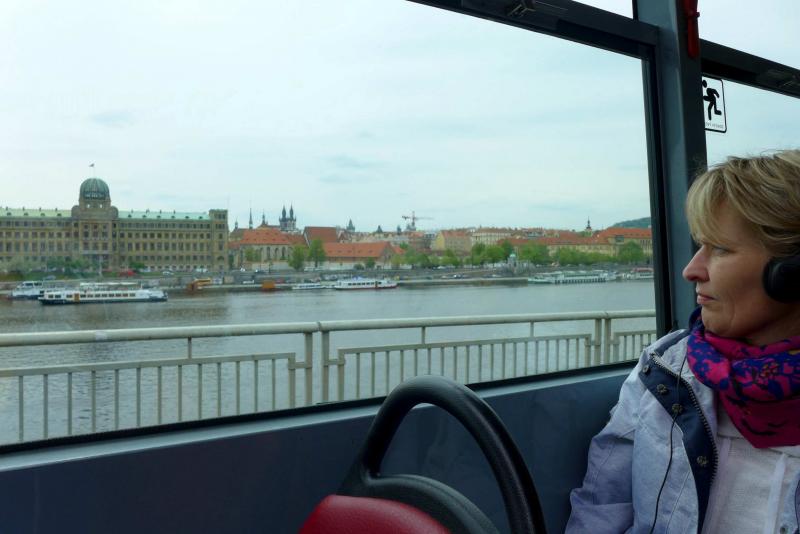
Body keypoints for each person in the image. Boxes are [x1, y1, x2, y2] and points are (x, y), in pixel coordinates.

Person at [566, 150, 800, 534]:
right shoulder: (664, 369)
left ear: (791, 271)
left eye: (720, 249)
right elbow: (601, 508)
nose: (691, 270)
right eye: (699, 246)